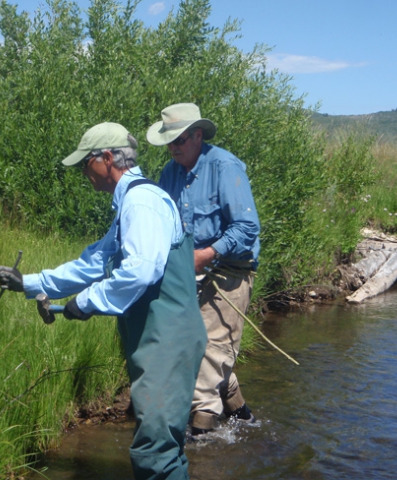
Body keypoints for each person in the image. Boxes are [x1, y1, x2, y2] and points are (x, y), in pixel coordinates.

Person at [0, 122, 207, 479]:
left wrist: (89, 302)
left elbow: (142, 270)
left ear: (107, 158)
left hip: (168, 342)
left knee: (156, 451)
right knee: (161, 442)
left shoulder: (142, 202)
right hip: (158, 340)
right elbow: (94, 262)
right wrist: (28, 283)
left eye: (85, 164)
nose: (83, 173)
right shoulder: (131, 200)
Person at [147, 103, 261, 438]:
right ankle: (242, 414)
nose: (174, 147)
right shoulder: (171, 172)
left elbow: (247, 227)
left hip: (230, 271)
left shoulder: (225, 167)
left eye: (180, 139)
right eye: (169, 141)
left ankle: (201, 434)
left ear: (198, 135)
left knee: (210, 350)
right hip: (190, 272)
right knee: (189, 344)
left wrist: (208, 254)